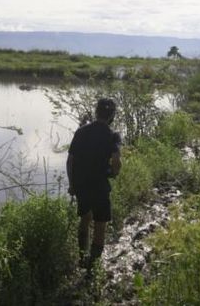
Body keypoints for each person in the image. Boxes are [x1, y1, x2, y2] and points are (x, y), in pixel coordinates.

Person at [66, 98, 122, 270]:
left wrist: (72, 184)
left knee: (85, 219)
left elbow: (70, 161)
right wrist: (113, 173)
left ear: (96, 112)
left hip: (82, 184)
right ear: (112, 115)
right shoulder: (113, 136)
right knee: (100, 225)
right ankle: (93, 267)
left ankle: (82, 258)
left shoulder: (81, 131)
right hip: (100, 185)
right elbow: (116, 161)